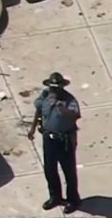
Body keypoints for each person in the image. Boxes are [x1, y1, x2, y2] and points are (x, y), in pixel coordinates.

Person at [27, 72, 81, 214]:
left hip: (64, 140)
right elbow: (39, 111)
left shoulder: (69, 100)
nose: (54, 91)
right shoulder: (45, 96)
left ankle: (73, 200)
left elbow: (76, 116)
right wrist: (32, 128)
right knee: (50, 170)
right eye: (52, 88)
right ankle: (55, 197)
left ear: (62, 87)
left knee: (68, 171)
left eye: (56, 88)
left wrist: (62, 109)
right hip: (48, 139)